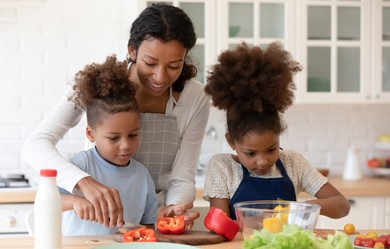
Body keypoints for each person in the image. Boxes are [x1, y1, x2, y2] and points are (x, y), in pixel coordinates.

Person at [21, 3, 209, 230]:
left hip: (148, 219)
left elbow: (182, 176)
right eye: (150, 63)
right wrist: (84, 182)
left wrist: (175, 209)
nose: (160, 77)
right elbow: (35, 144)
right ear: (132, 50)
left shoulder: (195, 97)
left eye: (174, 66)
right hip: (93, 221)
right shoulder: (97, 83)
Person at [202, 42, 350, 220]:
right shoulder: (222, 168)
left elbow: (342, 205)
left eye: (271, 149)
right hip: (240, 247)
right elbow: (220, 224)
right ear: (231, 141)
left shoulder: (293, 163)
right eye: (250, 153)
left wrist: (303, 208)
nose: (263, 161)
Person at [60, 55, 157, 235]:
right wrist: (74, 201)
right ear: (91, 134)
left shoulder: (143, 176)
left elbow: (149, 224)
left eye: (133, 135)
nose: (125, 145)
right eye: (114, 138)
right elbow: (47, 201)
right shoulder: (80, 166)